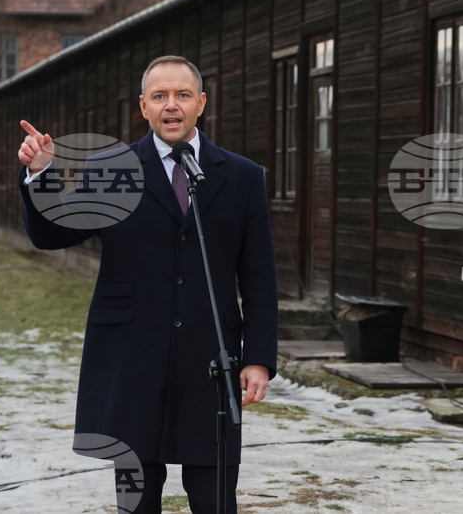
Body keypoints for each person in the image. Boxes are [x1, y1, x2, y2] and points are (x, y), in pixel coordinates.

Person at [16, 56, 278, 514]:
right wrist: (42, 174)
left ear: (201, 102)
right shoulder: (112, 169)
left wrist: (258, 357)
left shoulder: (241, 177)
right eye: (159, 96)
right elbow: (51, 234)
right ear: (143, 106)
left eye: (181, 95)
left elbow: (258, 277)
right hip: (132, 360)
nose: (170, 106)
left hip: (208, 362)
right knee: (137, 502)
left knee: (214, 501)